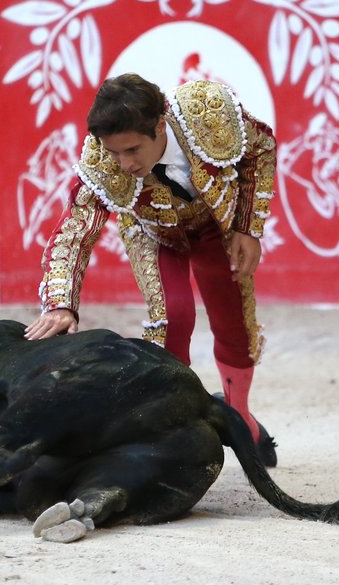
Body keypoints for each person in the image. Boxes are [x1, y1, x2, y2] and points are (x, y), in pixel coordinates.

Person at [25, 73, 279, 466]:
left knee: (234, 322)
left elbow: (260, 149)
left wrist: (248, 226)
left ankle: (241, 417)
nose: (124, 164)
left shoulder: (207, 111)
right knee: (173, 317)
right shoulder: (102, 160)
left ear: (160, 125)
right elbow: (76, 229)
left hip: (216, 225)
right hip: (154, 232)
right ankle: (176, 428)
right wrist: (61, 303)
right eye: (114, 153)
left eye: (132, 150)